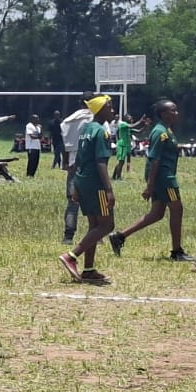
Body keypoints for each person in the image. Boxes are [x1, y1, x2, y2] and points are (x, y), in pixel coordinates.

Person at [109, 101, 188, 262]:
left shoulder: (166, 130)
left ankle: (120, 236)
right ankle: (177, 251)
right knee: (177, 209)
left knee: (156, 214)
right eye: (173, 110)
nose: (177, 113)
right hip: (164, 179)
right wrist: (150, 186)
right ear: (163, 114)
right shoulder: (160, 132)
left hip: (163, 177)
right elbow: (154, 160)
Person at [58, 95, 118, 284]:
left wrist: (76, 185)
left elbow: (80, 159)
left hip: (83, 181)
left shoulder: (86, 129)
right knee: (107, 225)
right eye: (109, 106)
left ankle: (89, 269)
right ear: (100, 109)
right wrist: (109, 190)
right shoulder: (101, 131)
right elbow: (101, 162)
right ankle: (71, 256)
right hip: (96, 184)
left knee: (94, 226)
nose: (113, 110)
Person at [60, 94, 96, 245]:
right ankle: (95, 234)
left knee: (72, 202)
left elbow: (64, 144)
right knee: (94, 200)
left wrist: (65, 162)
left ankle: (68, 236)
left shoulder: (68, 121)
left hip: (73, 162)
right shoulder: (94, 118)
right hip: (90, 163)